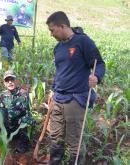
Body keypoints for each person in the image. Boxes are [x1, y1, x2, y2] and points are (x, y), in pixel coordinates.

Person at [46, 11, 105, 164]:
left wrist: (96, 76)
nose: (51, 34)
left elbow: (99, 63)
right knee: (55, 136)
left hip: (75, 99)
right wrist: (53, 89)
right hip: (58, 97)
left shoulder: (83, 42)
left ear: (62, 26)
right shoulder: (58, 48)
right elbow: (61, 71)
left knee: (75, 141)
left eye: (53, 30)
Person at [0, 70, 35, 153]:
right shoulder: (2, 95)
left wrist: (5, 115)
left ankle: (24, 143)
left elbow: (19, 110)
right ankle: (7, 137)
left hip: (20, 122)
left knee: (24, 119)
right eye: (7, 80)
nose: (10, 82)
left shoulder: (23, 93)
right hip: (10, 123)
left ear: (16, 81)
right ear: (4, 83)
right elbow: (0, 110)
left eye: (12, 79)